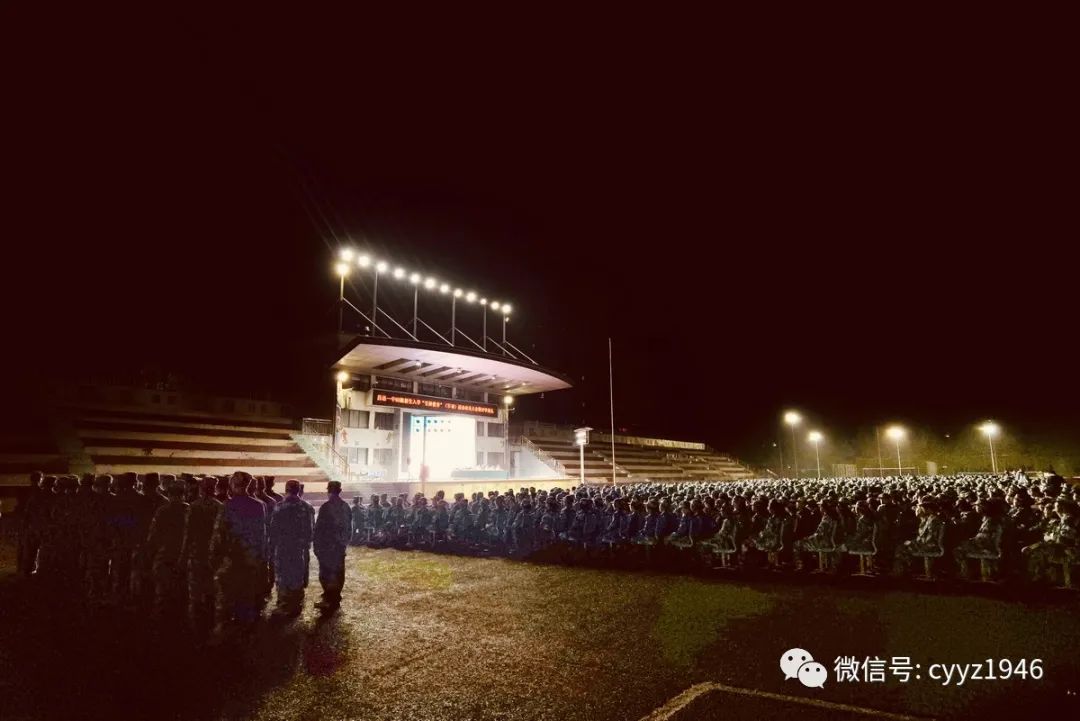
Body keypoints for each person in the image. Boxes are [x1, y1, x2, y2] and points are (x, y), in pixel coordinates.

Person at [210, 471, 268, 633]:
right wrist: (260, 559)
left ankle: (224, 630)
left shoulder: (227, 506)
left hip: (231, 559)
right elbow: (261, 535)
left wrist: (214, 558)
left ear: (233, 485)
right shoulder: (259, 505)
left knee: (226, 597)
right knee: (246, 595)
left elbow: (219, 535)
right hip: (250, 559)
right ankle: (245, 630)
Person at [180, 475, 222, 632]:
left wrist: (183, 555)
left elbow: (188, 534)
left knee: (195, 592)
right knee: (211, 591)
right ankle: (210, 623)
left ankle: (195, 625)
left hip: (197, 553)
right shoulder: (219, 506)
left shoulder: (194, 506)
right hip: (213, 555)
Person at [144, 479, 190, 619]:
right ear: (183, 494)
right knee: (182, 593)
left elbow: (153, 535)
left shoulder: (162, 511)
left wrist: (150, 553)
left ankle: (160, 621)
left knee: (162, 593)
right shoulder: (189, 510)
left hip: (164, 556)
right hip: (184, 556)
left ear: (169, 494)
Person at [269, 480, 314, 617]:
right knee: (297, 574)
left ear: (286, 489)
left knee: (283, 575)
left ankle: (284, 604)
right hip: (299, 548)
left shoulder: (279, 506)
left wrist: (272, 547)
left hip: (282, 547)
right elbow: (311, 530)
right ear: (298, 489)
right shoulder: (307, 507)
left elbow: (273, 529)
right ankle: (296, 604)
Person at [313, 480, 352, 611]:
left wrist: (317, 545)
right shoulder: (345, 506)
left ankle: (329, 599)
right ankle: (335, 598)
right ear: (339, 491)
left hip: (327, 546)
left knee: (326, 573)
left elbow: (319, 529)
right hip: (339, 546)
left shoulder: (326, 507)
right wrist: (344, 543)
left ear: (329, 491)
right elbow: (349, 528)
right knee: (338, 572)